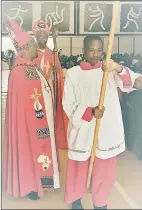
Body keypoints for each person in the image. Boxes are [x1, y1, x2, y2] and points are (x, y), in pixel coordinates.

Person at [62, 35, 141, 209]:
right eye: (91, 50)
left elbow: (136, 82)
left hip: (106, 133)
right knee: (78, 172)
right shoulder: (73, 74)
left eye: (99, 50)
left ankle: (101, 204)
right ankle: (76, 202)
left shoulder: (110, 71)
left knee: (103, 174)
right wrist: (90, 111)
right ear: (83, 51)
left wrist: (118, 68)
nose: (95, 54)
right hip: (82, 131)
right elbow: (67, 103)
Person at [3, 18, 60, 200]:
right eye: (34, 45)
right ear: (27, 49)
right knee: (30, 151)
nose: (37, 48)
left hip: (38, 122)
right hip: (32, 127)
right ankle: (31, 185)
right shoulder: (22, 71)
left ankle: (38, 182)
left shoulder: (28, 67)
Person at [33, 20, 67, 149]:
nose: (43, 38)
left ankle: (50, 146)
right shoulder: (31, 53)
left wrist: (56, 73)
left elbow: (59, 74)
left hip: (49, 94)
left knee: (49, 121)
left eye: (45, 35)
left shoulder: (52, 54)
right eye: (40, 35)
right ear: (35, 35)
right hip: (35, 94)